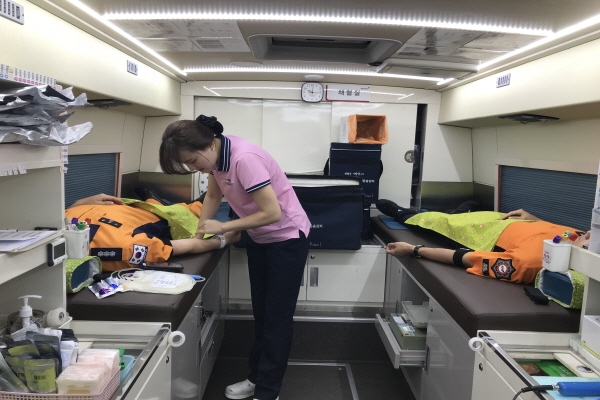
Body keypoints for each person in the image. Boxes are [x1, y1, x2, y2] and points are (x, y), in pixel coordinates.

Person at [159, 115, 310, 400]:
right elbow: (213, 197)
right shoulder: (217, 160)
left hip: (287, 239)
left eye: (192, 161)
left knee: (276, 319)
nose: (193, 168)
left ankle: (268, 392)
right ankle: (257, 378)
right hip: (261, 238)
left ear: (208, 145)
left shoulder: (244, 159)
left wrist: (223, 227)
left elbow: (272, 213)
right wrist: (200, 234)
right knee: (262, 315)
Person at [377, 199, 590, 284]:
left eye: (590, 239)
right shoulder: (577, 236)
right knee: (464, 215)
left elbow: (463, 257)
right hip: (504, 220)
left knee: (436, 221)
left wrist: (413, 249)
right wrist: (534, 219)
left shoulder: (531, 262)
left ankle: (401, 213)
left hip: (483, 235)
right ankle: (460, 212)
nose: (588, 233)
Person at [65, 193, 240, 271]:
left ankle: (157, 200)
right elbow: (188, 244)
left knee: (164, 208)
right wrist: (221, 240)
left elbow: (189, 244)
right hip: (147, 214)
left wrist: (78, 204)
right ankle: (197, 204)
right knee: (185, 212)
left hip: (132, 210)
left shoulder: (62, 218)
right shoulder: (124, 250)